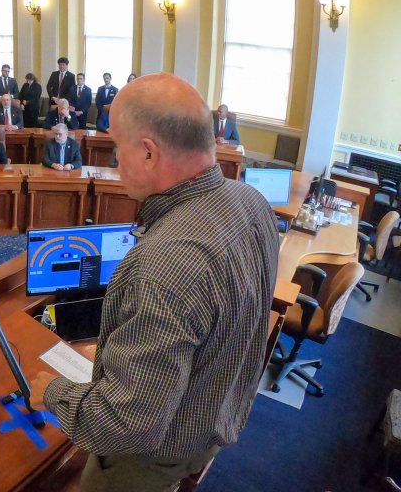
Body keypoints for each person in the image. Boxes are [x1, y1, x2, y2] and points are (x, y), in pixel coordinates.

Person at [30, 73, 278, 492]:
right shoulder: (252, 201)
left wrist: (53, 392)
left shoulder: (163, 265)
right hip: (213, 416)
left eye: (117, 148)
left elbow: (124, 424)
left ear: (148, 153)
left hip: (150, 459)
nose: (115, 162)